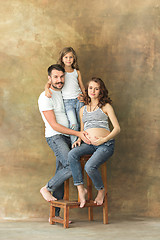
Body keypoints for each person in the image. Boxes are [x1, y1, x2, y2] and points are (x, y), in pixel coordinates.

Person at [38, 64, 90, 218]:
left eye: (61, 77)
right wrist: (78, 133)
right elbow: (54, 125)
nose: (59, 80)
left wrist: (82, 98)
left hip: (70, 137)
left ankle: (55, 214)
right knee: (70, 165)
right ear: (49, 78)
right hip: (56, 136)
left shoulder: (64, 93)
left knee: (61, 172)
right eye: (55, 77)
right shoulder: (45, 96)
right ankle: (46, 188)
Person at [68, 77, 121, 208]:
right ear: (87, 90)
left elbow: (117, 128)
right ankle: (81, 188)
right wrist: (79, 139)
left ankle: (101, 190)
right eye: (91, 88)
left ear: (101, 91)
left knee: (89, 167)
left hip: (105, 145)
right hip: (89, 145)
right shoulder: (83, 110)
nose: (93, 91)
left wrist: (103, 139)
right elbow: (82, 129)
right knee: (72, 154)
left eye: (96, 89)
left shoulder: (106, 106)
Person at [45, 47, 85, 144]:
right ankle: (74, 145)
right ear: (62, 58)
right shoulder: (61, 72)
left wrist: (85, 97)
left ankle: (84, 143)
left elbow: (82, 87)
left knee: (82, 123)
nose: (68, 59)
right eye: (66, 57)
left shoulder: (76, 72)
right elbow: (48, 83)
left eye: (71, 57)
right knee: (73, 124)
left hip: (79, 100)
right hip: (67, 102)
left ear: (74, 58)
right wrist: (46, 89)